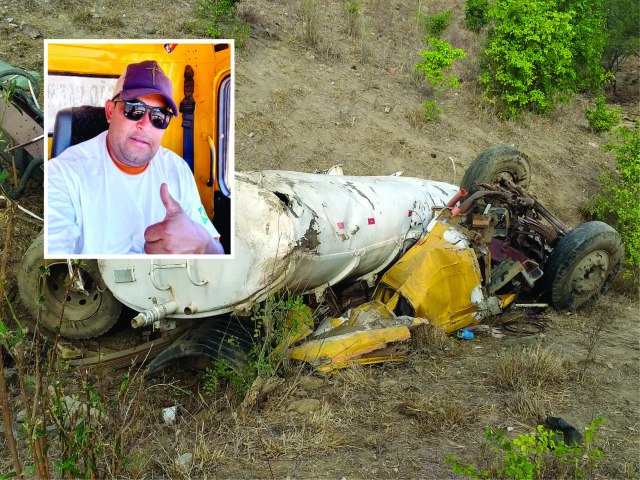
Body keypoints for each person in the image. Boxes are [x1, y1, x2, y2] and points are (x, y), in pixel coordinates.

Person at [46, 60, 224, 255]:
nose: (145, 125)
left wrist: (204, 245)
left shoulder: (177, 169)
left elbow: (218, 252)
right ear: (110, 111)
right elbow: (53, 257)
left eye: (159, 117)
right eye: (134, 109)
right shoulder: (64, 173)